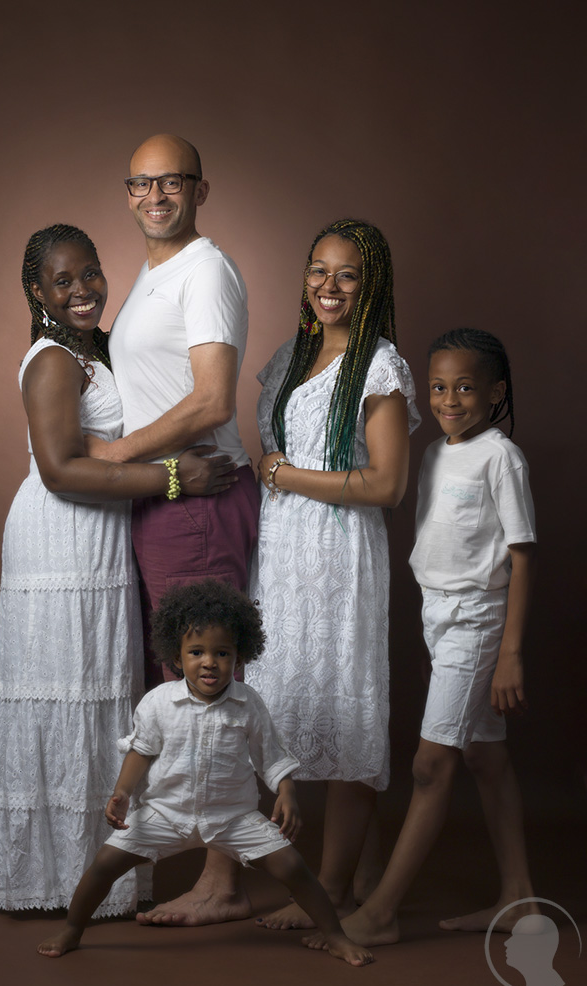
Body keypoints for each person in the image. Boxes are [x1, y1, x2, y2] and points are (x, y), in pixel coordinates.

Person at [0, 225, 236, 916]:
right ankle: (44, 875)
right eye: (64, 281)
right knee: (63, 691)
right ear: (37, 291)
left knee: (97, 692)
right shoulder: (54, 358)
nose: (83, 289)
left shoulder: (93, 347)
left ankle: (86, 872)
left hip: (100, 534)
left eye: (90, 273)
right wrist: (174, 477)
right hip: (62, 535)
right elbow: (59, 470)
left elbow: (100, 441)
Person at [310, 330, 536, 949]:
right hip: (439, 620)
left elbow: (521, 557)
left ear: (496, 392)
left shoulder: (500, 456)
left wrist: (508, 653)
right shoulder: (434, 452)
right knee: (485, 758)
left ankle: (381, 912)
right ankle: (519, 894)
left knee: (431, 767)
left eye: (466, 387)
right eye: (438, 387)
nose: (450, 400)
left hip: (478, 620)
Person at [88, 133, 261, 927]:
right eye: (141, 183)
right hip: (164, 498)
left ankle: (224, 880)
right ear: (128, 193)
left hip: (198, 501)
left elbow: (213, 400)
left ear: (200, 188)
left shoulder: (207, 272)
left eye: (172, 182)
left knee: (210, 686)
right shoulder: (156, 273)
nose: (156, 196)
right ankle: (186, 857)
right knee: (174, 687)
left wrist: (116, 453)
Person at [36, 579, 373, 967]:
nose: (209, 661)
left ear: (239, 657)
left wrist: (287, 792)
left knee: (293, 867)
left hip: (232, 817)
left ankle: (334, 935)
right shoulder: (159, 702)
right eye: (196, 652)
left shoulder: (248, 704)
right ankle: (73, 929)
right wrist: (123, 792)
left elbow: (273, 757)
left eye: (222, 652)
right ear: (177, 658)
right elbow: (140, 752)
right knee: (105, 864)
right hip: (167, 812)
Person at [250, 219, 419, 930]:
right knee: (282, 702)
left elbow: (387, 486)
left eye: (346, 274)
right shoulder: (289, 356)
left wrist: (290, 474)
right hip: (282, 551)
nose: (327, 285)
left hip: (342, 554)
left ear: (370, 285)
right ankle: (343, 873)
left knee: (347, 712)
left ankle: (330, 885)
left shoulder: (380, 365)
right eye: (317, 270)